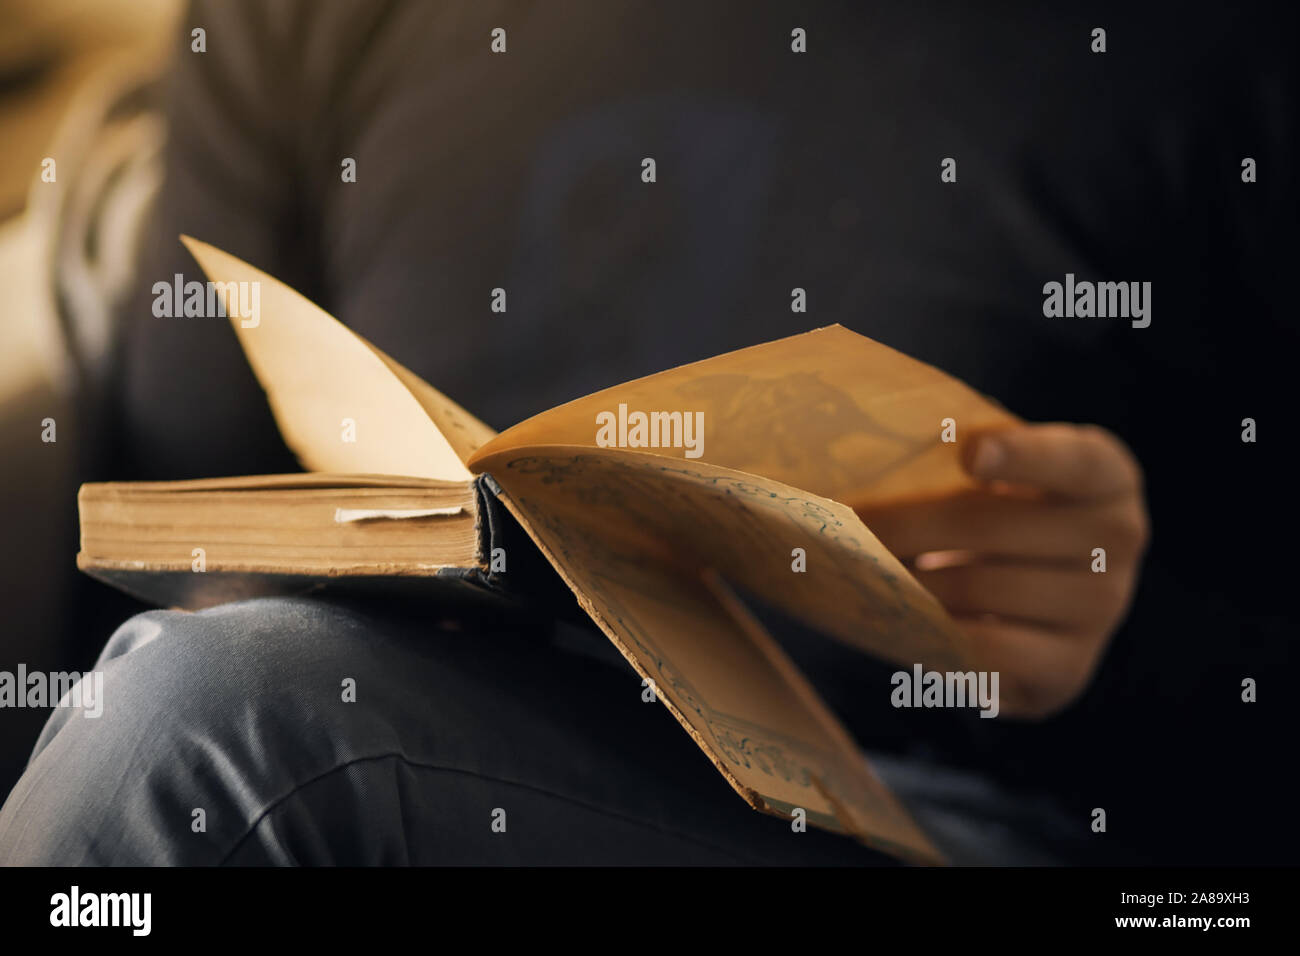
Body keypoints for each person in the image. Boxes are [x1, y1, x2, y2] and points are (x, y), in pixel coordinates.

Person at [0, 0, 1293, 864]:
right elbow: (172, 511)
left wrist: (1114, 642)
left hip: (939, 815)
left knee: (211, 706)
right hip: (425, 710)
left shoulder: (1216, 53)